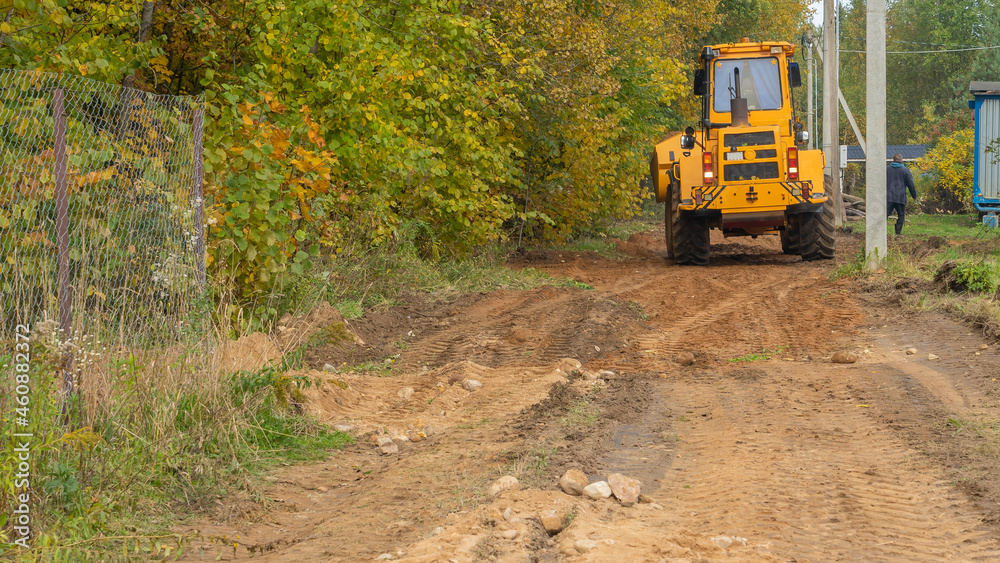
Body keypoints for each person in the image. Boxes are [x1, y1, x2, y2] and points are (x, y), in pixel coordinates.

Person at [886, 153, 917, 235]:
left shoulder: (887, 169)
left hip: (888, 197)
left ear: (893, 160)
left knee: (884, 215)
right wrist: (914, 196)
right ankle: (898, 233)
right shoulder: (905, 170)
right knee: (901, 215)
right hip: (900, 197)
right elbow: (911, 185)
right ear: (901, 160)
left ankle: (879, 231)